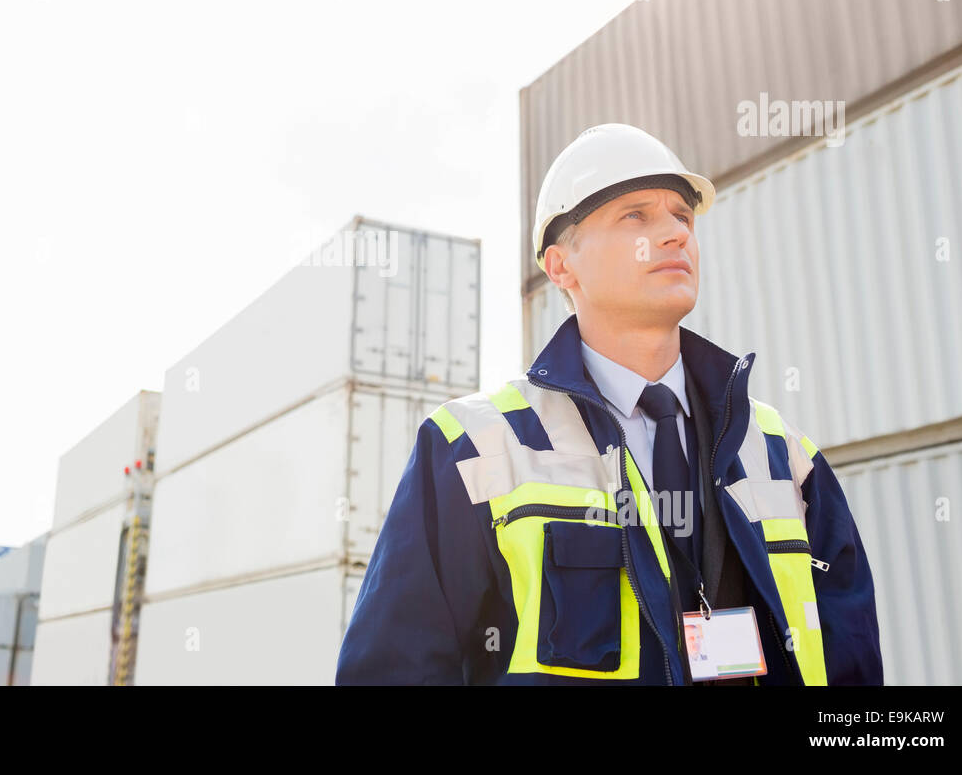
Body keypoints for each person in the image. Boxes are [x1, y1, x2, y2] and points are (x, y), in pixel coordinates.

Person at [336, 123, 883, 686]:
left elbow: (853, 666)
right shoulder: (475, 447)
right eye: (636, 216)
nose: (674, 234)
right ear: (560, 266)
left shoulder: (782, 454)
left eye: (682, 216)